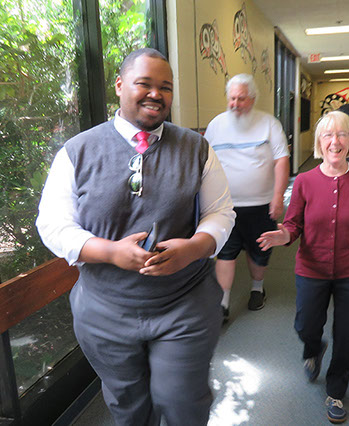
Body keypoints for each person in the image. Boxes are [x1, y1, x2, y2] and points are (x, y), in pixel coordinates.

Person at [36, 48, 235, 426]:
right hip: (105, 308)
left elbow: (221, 212)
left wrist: (193, 248)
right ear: (120, 86)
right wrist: (109, 252)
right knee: (129, 407)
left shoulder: (197, 149)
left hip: (183, 303)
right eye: (144, 83)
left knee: (181, 401)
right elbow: (53, 224)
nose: (156, 94)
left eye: (166, 87)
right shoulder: (77, 152)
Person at [258, 111, 349, 424]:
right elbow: (293, 223)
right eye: (328, 135)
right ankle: (313, 348)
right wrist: (283, 234)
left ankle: (336, 391)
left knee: (347, 336)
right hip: (311, 269)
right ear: (319, 142)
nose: (336, 141)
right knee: (306, 325)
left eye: (342, 134)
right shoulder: (305, 181)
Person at [205, 73, 290, 321]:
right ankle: (222, 303)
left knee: (258, 252)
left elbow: (281, 161)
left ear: (252, 99)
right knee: (226, 253)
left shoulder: (269, 124)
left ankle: (257, 288)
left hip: (261, 205)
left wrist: (277, 197)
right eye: (232, 98)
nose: (235, 104)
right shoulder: (216, 125)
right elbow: (205, 163)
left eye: (241, 99)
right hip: (225, 206)